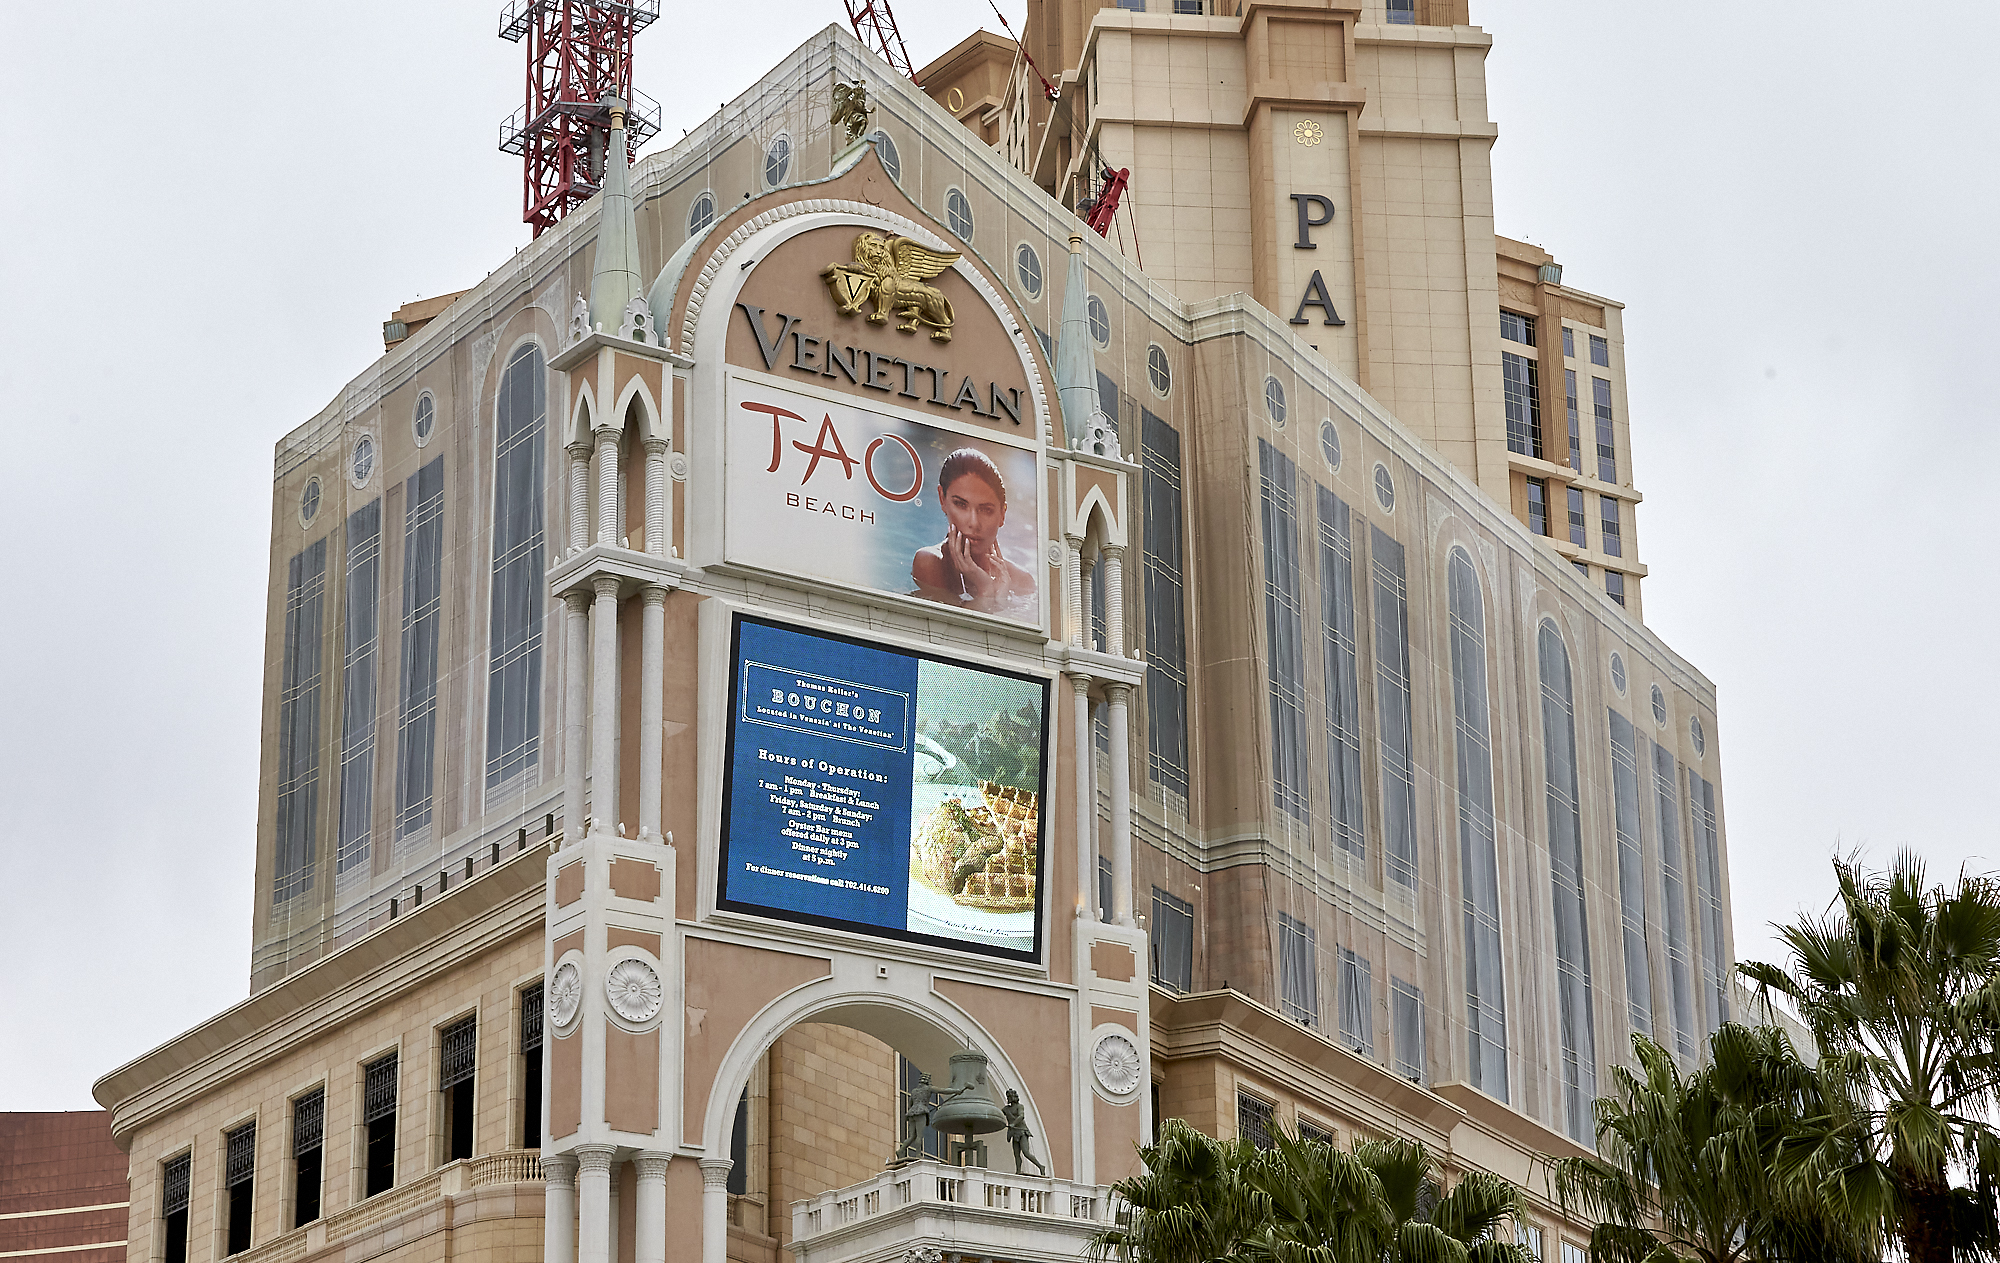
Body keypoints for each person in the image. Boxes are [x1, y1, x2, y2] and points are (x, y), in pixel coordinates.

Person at [911, 448, 1035, 616]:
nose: (974, 523)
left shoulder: (1022, 581)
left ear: (1002, 514)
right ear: (942, 499)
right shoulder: (930, 562)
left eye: (986, 510)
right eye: (961, 505)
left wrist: (1000, 601)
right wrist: (985, 591)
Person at [1003, 1089, 1045, 1176]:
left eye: (1010, 1096)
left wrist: (1013, 1123)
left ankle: (1040, 1166)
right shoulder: (1006, 1109)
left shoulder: (1019, 1106)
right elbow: (999, 1114)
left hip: (1022, 1132)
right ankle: (1018, 1170)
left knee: (1026, 1152)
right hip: (1014, 1133)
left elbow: (1021, 1116)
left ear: (1014, 1097)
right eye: (1008, 1097)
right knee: (1016, 1154)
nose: (1009, 1098)